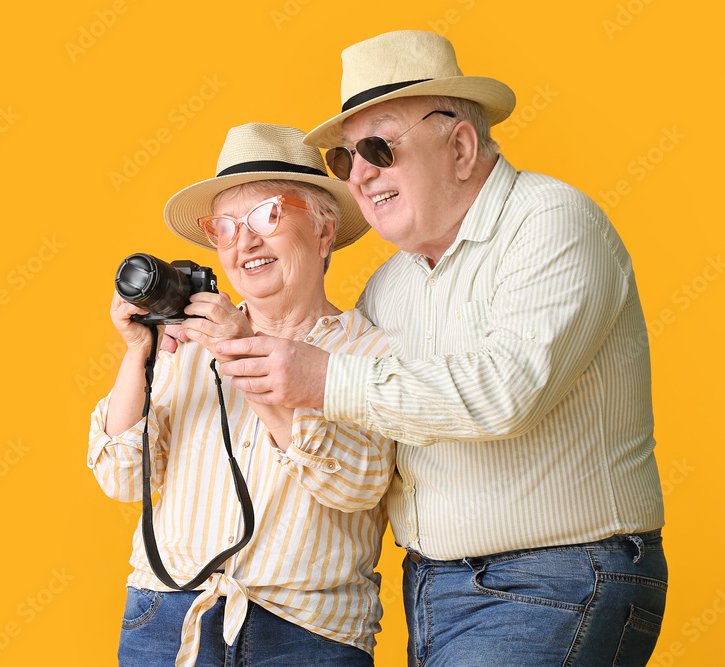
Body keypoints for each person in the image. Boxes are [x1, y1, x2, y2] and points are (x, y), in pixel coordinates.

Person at [216, 31, 667, 666]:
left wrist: (321, 380)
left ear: (460, 146)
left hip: (557, 577)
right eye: (345, 161)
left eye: (378, 148)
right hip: (432, 588)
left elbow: (505, 393)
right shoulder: (389, 288)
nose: (361, 175)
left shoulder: (553, 223)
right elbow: (366, 447)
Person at [88, 122, 396, 666]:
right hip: (167, 620)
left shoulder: (370, 352)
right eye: (225, 227)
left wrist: (241, 347)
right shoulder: (188, 340)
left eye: (268, 216)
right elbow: (118, 476)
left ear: (324, 232)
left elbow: (356, 484)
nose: (246, 241)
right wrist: (139, 352)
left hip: (306, 634)